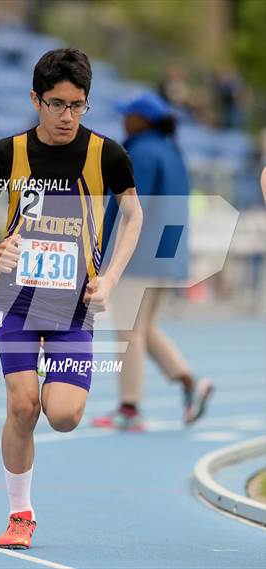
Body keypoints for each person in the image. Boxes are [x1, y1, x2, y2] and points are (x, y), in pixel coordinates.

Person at [0, 48, 143, 549]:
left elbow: (134, 218)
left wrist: (108, 280)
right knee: (23, 407)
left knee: (62, 415)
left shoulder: (107, 155)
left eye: (78, 105)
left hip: (73, 305)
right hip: (17, 298)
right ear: (35, 100)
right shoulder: (7, 153)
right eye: (57, 104)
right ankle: (20, 513)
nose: (67, 116)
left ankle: (52, 385)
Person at [92, 92, 214, 431]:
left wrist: (99, 246)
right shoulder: (173, 152)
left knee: (128, 330)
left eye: (128, 115)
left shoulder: (141, 152)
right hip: (168, 256)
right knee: (144, 328)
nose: (123, 120)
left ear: (141, 120)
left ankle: (129, 410)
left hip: (141, 257)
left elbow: (129, 206)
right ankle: (191, 384)